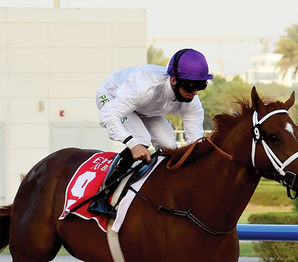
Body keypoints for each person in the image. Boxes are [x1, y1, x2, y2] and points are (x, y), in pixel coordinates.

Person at [89, 48, 214, 218]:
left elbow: (195, 142)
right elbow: (107, 115)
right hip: (112, 97)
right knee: (141, 139)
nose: (195, 92)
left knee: (169, 146)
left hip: (146, 108)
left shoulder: (192, 100)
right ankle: (102, 196)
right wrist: (132, 144)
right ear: (174, 80)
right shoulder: (144, 87)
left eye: (201, 86)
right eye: (191, 86)